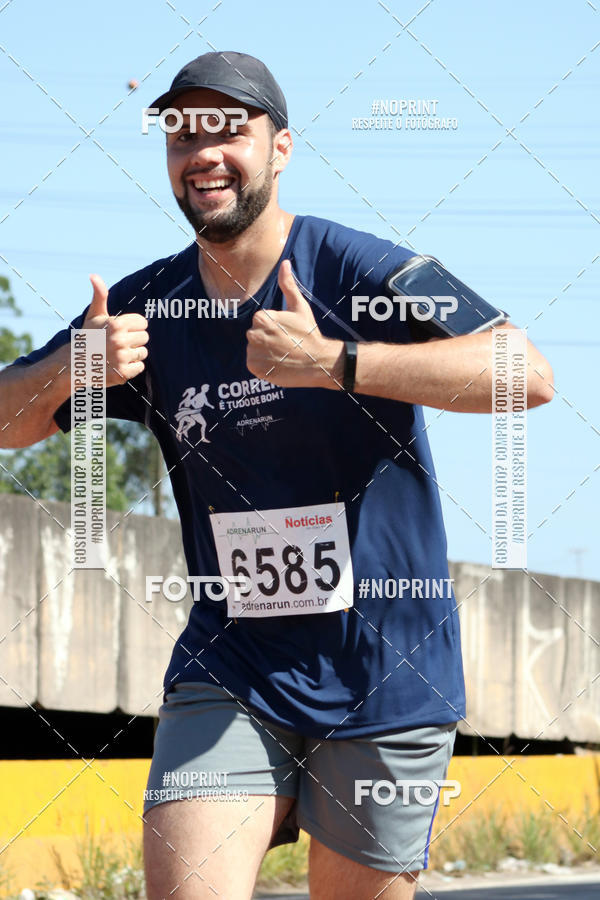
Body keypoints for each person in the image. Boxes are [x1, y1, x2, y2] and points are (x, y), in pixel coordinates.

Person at [0, 51, 554, 900]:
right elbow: (10, 422)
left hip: (388, 673)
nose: (204, 150)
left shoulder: (359, 270)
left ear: (282, 147)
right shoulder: (148, 303)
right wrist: (72, 366)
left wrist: (339, 361)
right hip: (233, 665)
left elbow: (528, 372)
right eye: (183, 132)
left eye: (232, 128)